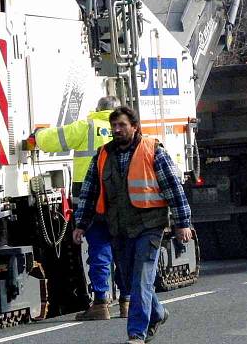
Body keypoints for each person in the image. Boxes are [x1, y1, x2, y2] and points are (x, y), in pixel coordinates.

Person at [73, 106, 193, 344]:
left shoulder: (152, 150)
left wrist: (183, 223)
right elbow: (89, 192)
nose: (117, 130)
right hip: (119, 228)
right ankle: (157, 313)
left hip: (149, 226)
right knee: (128, 279)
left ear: (135, 126)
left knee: (141, 278)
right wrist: (81, 224)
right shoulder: (102, 155)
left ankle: (136, 333)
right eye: (114, 126)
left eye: (122, 125)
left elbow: (173, 188)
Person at [27, 95, 128, 320]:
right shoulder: (126, 131)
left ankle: (101, 303)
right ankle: (126, 302)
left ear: (97, 109)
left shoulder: (87, 126)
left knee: (99, 248)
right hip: (119, 198)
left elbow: (54, 139)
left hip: (90, 195)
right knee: (122, 249)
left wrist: (37, 136)